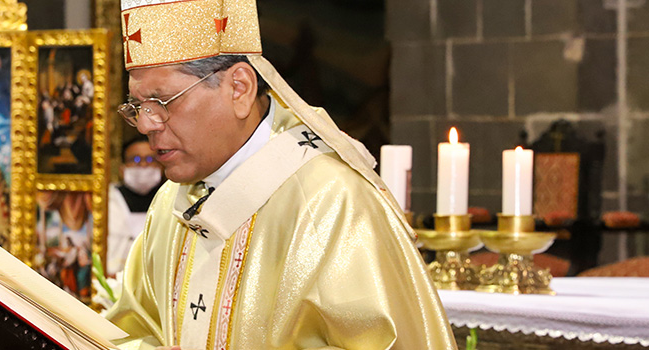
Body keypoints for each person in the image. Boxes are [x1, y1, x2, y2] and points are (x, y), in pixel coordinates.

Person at [103, 1, 456, 349]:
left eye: (162, 102)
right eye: (137, 106)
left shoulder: (332, 202)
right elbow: (132, 331)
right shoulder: (171, 205)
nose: (147, 124)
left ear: (238, 89)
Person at [106, 136, 163, 275]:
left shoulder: (171, 199)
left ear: (161, 166)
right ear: (122, 168)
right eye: (136, 160)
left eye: (150, 160)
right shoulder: (107, 199)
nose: (143, 165)